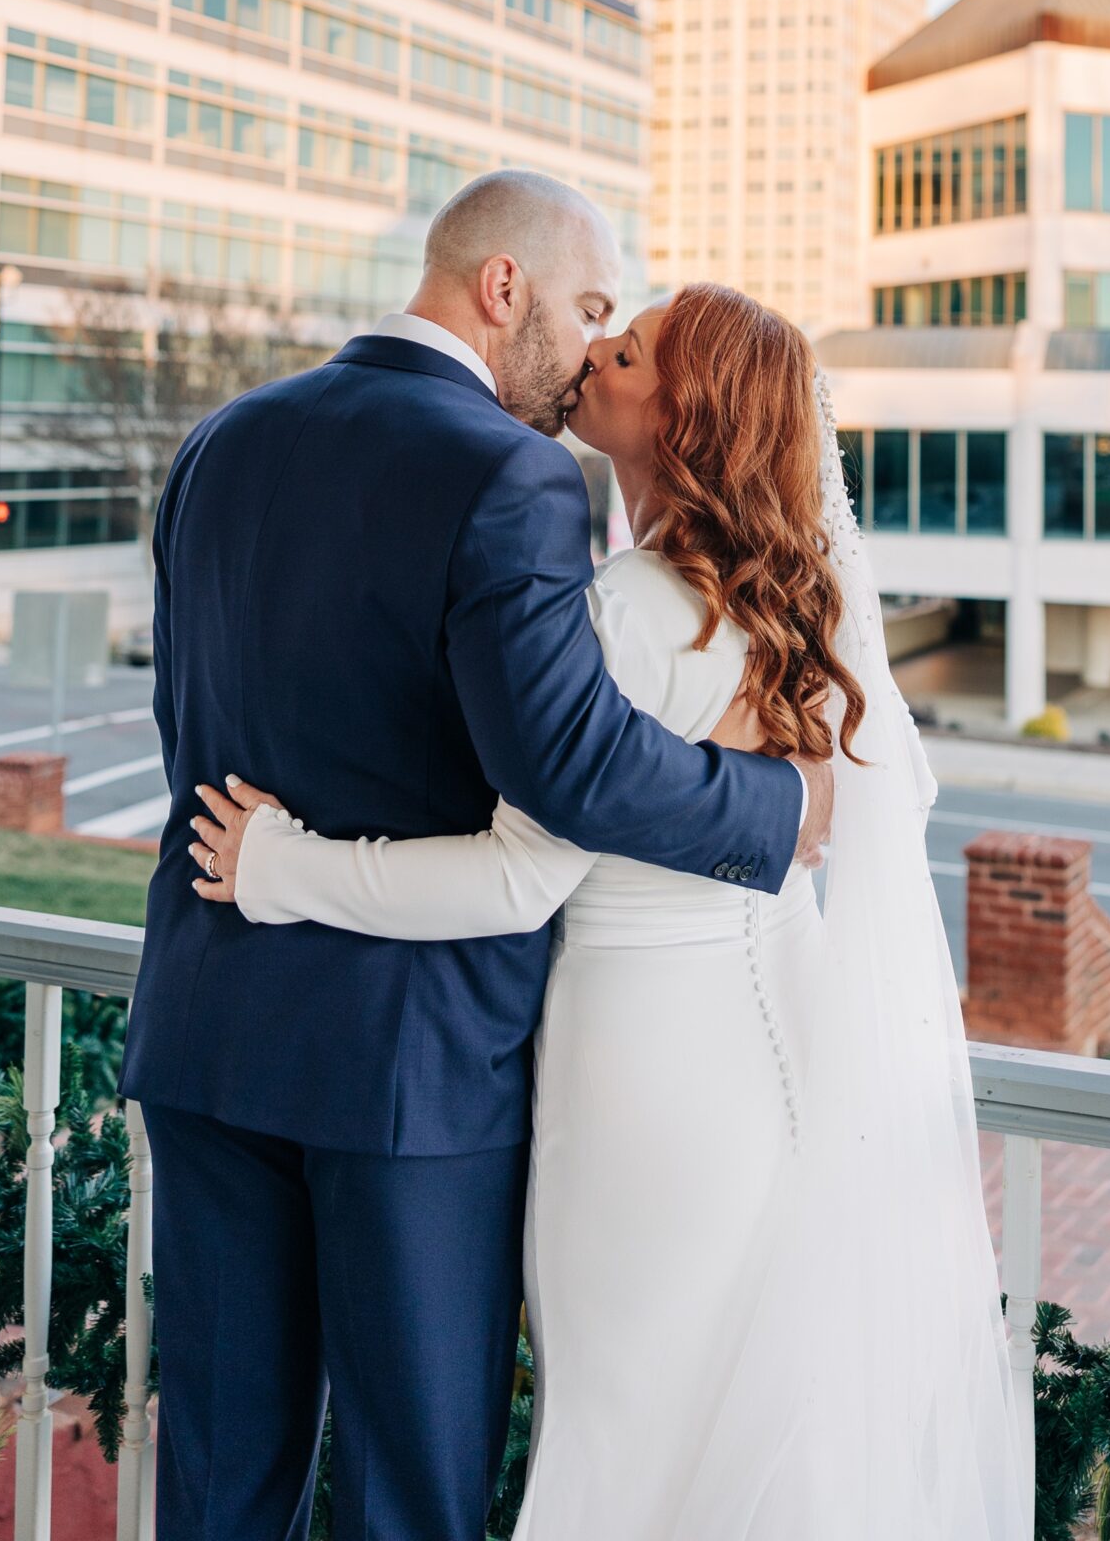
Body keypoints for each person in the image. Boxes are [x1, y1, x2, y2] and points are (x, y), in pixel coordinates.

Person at [190, 282, 1025, 1540]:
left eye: (624, 351)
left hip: (650, 1079)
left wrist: (280, 864)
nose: (592, 355)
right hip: (768, 1054)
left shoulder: (629, 609)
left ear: (682, 415)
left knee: (624, 1434)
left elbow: (522, 874)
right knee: (720, 1424)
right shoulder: (777, 607)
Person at [119, 175, 829, 1541]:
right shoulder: (504, 469)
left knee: (213, 1485)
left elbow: (186, 722)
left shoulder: (221, 439)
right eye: (582, 309)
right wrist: (770, 812)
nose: (584, 351)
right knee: (406, 1501)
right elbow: (563, 764)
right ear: (501, 291)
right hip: (409, 1072)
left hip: (206, 1031)